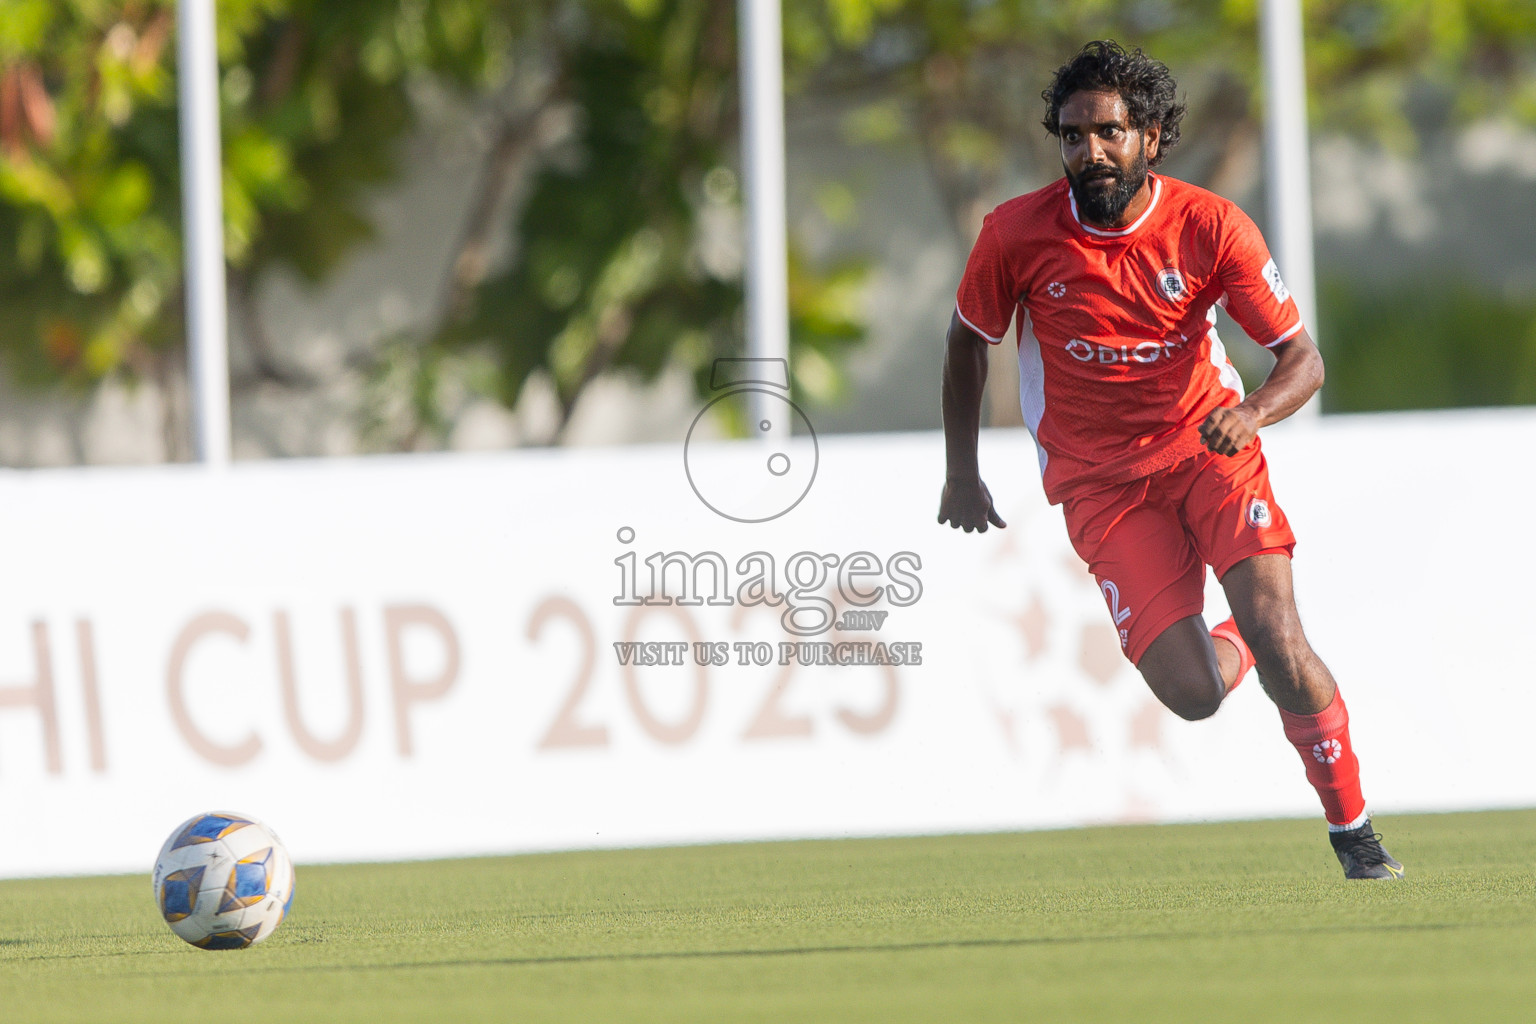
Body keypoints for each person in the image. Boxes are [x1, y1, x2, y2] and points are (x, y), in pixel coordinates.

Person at [937, 40, 1402, 879]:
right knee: (1192, 696)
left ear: (1150, 135)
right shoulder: (1015, 233)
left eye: (1110, 132)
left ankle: (1355, 833)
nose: (1091, 152)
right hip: (1102, 487)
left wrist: (1250, 412)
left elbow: (1302, 358)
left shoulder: (1211, 226)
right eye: (1074, 136)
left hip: (1209, 452)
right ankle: (1246, 635)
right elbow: (968, 344)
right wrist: (962, 472)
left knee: (1284, 644)